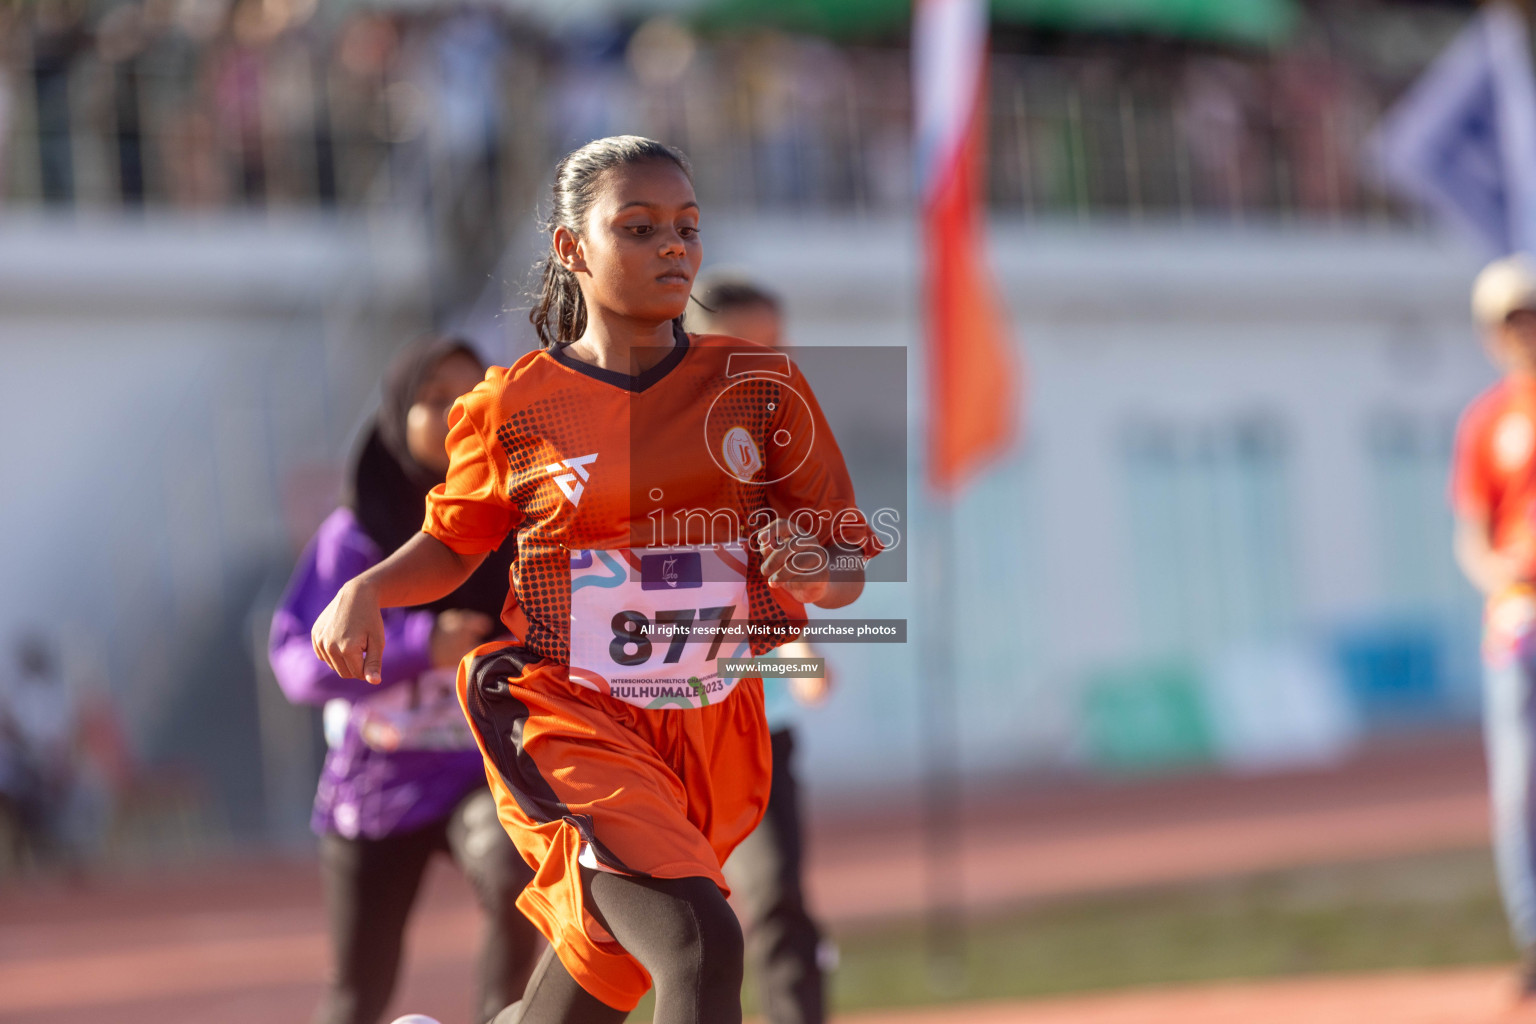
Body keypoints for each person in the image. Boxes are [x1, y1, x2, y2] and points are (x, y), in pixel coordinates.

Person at [311, 135, 882, 1024]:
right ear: (571, 248)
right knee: (699, 940)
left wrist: (809, 565)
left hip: (705, 723)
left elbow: (843, 572)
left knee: (598, 980)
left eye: (687, 228)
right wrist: (368, 589)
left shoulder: (759, 386)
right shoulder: (514, 405)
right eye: (640, 226)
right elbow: (455, 542)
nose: (673, 248)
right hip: (565, 711)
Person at [269, 335, 543, 1024]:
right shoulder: (353, 537)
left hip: (479, 769)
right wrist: (425, 645)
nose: (456, 412)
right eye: (432, 401)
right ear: (397, 417)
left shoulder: (525, 517)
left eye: (470, 394)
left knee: (521, 878)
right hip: (380, 781)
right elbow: (297, 665)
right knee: (356, 991)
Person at [690, 273, 832, 1024]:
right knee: (635, 930)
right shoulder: (638, 442)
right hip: (652, 733)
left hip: (754, 731)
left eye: (776, 347)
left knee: (774, 895)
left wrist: (797, 654)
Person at [1453, 253, 1536, 1010]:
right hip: (1517, 621)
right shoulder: (1485, 424)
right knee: (1519, 789)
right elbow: (1473, 534)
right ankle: (1535, 940)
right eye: (1512, 322)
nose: (1524, 334)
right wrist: (1504, 580)